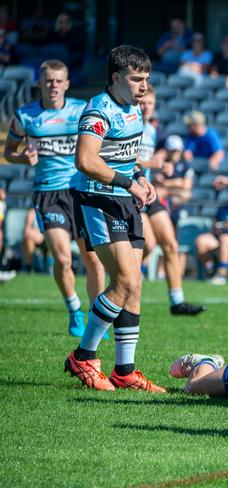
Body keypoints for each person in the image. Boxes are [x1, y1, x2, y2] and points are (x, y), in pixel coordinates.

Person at [64, 45, 165, 392]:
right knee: (122, 281)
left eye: (146, 79)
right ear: (116, 78)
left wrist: (140, 178)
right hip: (97, 198)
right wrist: (128, 183)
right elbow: (86, 161)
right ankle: (84, 357)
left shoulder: (135, 111)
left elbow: (125, 156)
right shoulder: (98, 110)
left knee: (134, 286)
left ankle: (125, 372)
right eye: (136, 80)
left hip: (124, 198)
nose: (143, 87)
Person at [4, 59, 105, 337]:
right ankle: (74, 309)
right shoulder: (25, 116)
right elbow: (8, 152)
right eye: (48, 80)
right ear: (40, 83)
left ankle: (97, 318)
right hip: (48, 192)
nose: (54, 86)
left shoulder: (81, 110)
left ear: (67, 84)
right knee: (62, 259)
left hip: (81, 190)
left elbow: (99, 144)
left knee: (93, 259)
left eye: (59, 81)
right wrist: (22, 157)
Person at [138, 87, 205, 316]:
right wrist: (153, 165)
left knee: (170, 244)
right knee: (147, 244)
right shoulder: (129, 124)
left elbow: (158, 158)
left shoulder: (154, 131)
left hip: (149, 192)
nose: (146, 106)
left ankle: (177, 301)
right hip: (131, 192)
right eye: (143, 102)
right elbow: (124, 159)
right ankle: (124, 281)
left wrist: (162, 164)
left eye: (150, 103)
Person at [153, 135, 194, 224]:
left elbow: (186, 185)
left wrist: (165, 183)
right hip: (166, 197)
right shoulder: (161, 163)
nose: (175, 153)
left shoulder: (185, 165)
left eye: (177, 151)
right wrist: (177, 182)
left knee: (186, 194)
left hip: (177, 199)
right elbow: (156, 183)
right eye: (172, 151)